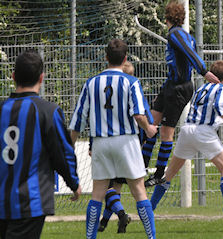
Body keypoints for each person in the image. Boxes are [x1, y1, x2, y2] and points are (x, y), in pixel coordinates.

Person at [69, 39, 159, 239]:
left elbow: (78, 121)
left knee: (97, 195)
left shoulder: (91, 83)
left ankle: (90, 237)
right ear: (125, 58)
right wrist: (149, 128)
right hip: (126, 141)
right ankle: (151, 237)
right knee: (139, 191)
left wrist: (69, 146)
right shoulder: (131, 81)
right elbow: (138, 114)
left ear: (106, 57)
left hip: (100, 142)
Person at [0, 50, 81, 239]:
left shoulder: (2, 110)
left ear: (13, 77)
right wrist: (73, 182)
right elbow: (62, 152)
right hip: (30, 202)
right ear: (41, 78)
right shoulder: (48, 111)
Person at [150, 60, 223, 224]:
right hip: (204, 131)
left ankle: (149, 208)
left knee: (169, 173)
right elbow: (220, 106)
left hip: (187, 129)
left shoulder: (201, 88)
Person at [142, 0, 219, 187]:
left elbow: (190, 53)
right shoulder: (180, 34)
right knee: (150, 125)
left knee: (166, 132)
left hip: (179, 89)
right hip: (170, 85)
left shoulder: (176, 34)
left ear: (166, 17)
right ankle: (140, 167)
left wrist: (204, 71)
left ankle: (159, 174)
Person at [97, 61, 148, 234]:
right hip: (133, 147)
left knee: (107, 188)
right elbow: (144, 117)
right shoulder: (135, 91)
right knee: (118, 188)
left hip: (114, 143)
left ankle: (121, 214)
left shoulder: (111, 92)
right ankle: (104, 221)